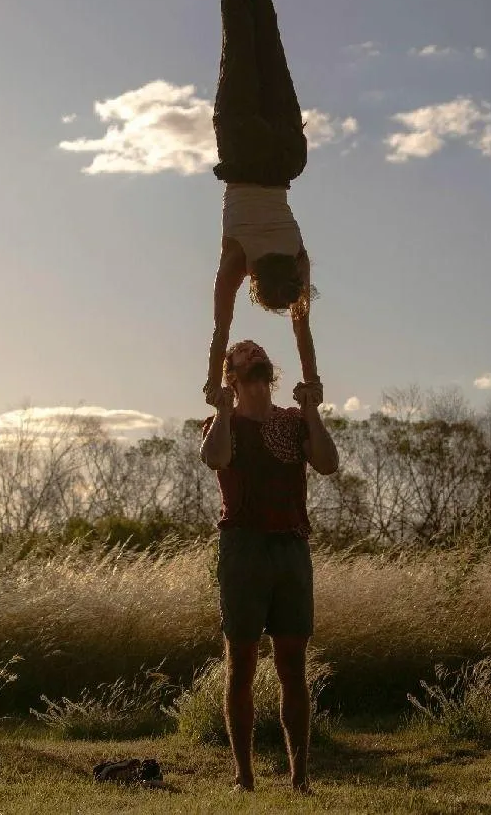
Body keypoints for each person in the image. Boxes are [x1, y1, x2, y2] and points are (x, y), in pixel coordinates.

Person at [200, 339, 339, 794]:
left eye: (259, 357)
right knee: (240, 664)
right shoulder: (223, 423)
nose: (255, 359)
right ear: (232, 377)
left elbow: (328, 463)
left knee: (292, 665)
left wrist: (312, 409)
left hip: (291, 549)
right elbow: (214, 458)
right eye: (244, 358)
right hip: (243, 548)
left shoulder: (294, 421)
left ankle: (300, 778)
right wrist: (222, 412)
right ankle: (244, 777)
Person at [204, 0, 322, 409]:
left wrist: (313, 379)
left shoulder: (298, 258)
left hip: (285, 159)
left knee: (271, 54)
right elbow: (221, 328)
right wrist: (213, 380)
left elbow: (304, 334)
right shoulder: (239, 259)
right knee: (238, 48)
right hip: (242, 151)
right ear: (255, 281)